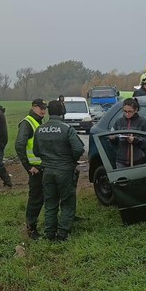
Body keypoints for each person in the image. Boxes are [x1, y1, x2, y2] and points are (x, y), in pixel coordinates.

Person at [32, 100, 85, 241]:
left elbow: (36, 151)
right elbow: (79, 149)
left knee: (50, 202)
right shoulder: (67, 129)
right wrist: (70, 159)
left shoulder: (40, 129)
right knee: (67, 202)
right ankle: (62, 234)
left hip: (47, 171)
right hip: (65, 171)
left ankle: (49, 234)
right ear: (62, 112)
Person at [14, 98, 47, 239]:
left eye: (45, 108)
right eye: (41, 108)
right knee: (36, 199)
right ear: (34, 107)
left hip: (43, 167)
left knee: (44, 197)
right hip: (36, 169)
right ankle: (31, 227)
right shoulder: (27, 123)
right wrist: (28, 166)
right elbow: (19, 145)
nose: (44, 111)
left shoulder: (38, 122)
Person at [108, 98, 146, 167]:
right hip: (121, 160)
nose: (127, 114)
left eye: (130, 111)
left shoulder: (143, 122)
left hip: (138, 161)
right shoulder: (118, 122)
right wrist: (112, 138)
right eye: (125, 111)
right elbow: (113, 141)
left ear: (136, 110)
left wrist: (135, 140)